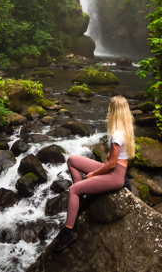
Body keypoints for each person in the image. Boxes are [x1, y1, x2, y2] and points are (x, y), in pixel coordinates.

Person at [49, 95, 135, 252]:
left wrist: (93, 175)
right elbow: (113, 158)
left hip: (115, 176)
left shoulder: (118, 134)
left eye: (110, 108)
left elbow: (111, 164)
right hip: (113, 171)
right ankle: (80, 200)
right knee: (72, 160)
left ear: (114, 111)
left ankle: (68, 233)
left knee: (73, 189)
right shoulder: (123, 130)